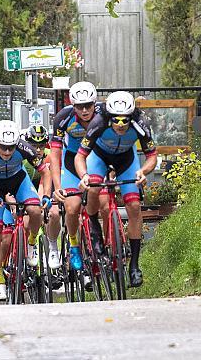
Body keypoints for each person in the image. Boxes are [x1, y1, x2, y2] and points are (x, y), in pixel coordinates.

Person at [75, 91, 157, 287]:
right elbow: (80, 156)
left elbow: (152, 155)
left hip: (126, 160)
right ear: (109, 117)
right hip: (99, 157)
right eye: (116, 120)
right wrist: (84, 176)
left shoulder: (140, 124)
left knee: (135, 207)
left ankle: (134, 266)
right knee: (94, 188)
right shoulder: (99, 122)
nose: (120, 124)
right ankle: (94, 227)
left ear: (132, 117)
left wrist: (143, 171)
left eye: (125, 120)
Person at [0, 120, 51, 301]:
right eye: (4, 147)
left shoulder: (25, 148)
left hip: (19, 183)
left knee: (35, 211)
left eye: (11, 148)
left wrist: (47, 195)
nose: (8, 152)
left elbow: (45, 172)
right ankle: (0, 282)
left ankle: (32, 243)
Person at [51, 81, 102, 271]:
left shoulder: (104, 114)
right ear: (73, 106)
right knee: (72, 208)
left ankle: (104, 239)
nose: (85, 110)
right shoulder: (63, 118)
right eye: (80, 106)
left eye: (89, 105)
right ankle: (74, 246)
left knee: (102, 201)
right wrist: (58, 188)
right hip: (72, 161)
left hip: (97, 159)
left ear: (95, 103)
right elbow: (55, 155)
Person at [24, 125, 61, 270]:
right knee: (26, 224)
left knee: (53, 214)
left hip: (45, 185)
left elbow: (48, 181)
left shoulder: (49, 155)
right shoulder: (23, 157)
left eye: (41, 145)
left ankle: (52, 248)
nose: (38, 150)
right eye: (34, 146)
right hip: (27, 186)